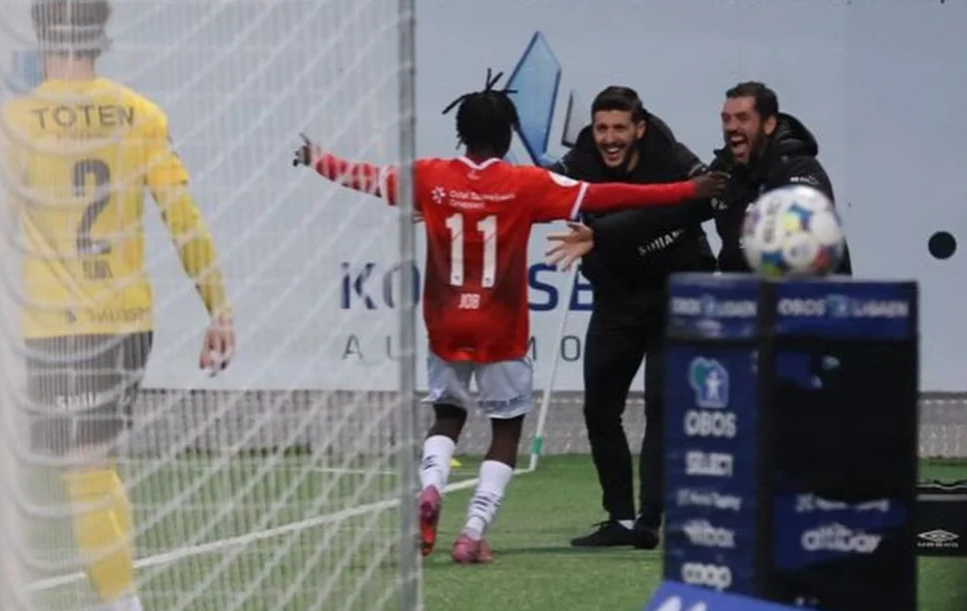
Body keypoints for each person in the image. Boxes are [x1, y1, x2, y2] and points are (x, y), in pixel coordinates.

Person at [294, 70, 726, 564]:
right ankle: (472, 533)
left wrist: (316, 159)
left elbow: (365, 178)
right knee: (505, 430)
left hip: (446, 321)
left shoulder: (428, 178)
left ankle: (431, 487)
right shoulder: (526, 184)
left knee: (448, 415)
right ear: (506, 136)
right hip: (500, 326)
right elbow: (610, 196)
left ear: (461, 132)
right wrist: (687, 193)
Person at [3, 1, 236, 611]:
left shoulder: (14, 124)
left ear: (40, 34)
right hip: (128, 320)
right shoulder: (139, 112)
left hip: (54, 326)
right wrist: (218, 307)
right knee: (95, 467)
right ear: (102, 38)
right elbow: (183, 217)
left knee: (82, 471)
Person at [544, 86, 716, 551]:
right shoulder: (580, 158)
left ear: (639, 128)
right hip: (616, 297)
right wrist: (450, 208)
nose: (610, 138)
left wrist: (602, 234)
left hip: (674, 294)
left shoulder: (671, 154)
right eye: (602, 128)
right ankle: (619, 518)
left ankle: (651, 517)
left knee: (662, 407)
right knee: (599, 408)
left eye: (620, 128)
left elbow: (700, 200)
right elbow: (529, 190)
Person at [709, 81, 852, 274]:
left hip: (801, 295)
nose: (731, 127)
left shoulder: (799, 168)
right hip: (740, 297)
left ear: (768, 124)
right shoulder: (724, 171)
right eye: (726, 119)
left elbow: (808, 231)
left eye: (742, 118)